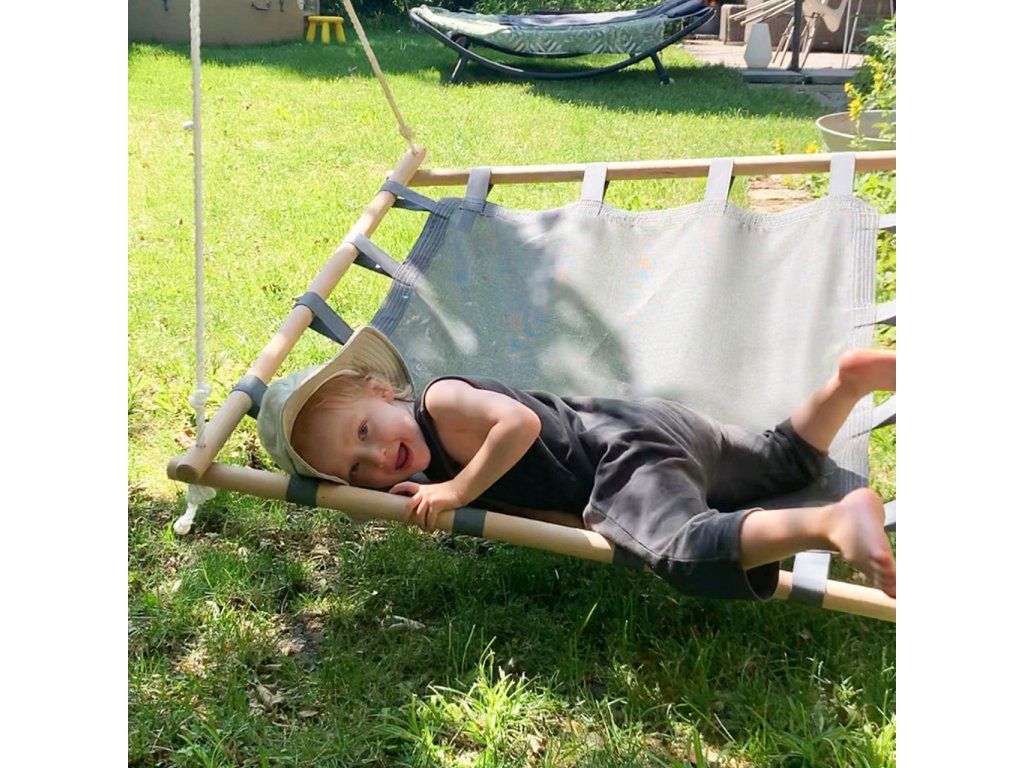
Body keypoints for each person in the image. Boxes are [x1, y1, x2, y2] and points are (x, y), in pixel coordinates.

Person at [258, 327, 896, 601]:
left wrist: (456, 489)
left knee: (684, 548)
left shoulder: (440, 403)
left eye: (365, 432)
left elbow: (521, 425)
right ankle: (849, 382)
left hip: (622, 459)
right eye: (359, 469)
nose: (377, 457)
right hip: (649, 426)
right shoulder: (429, 462)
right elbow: (532, 498)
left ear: (381, 390)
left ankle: (831, 523)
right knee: (781, 460)